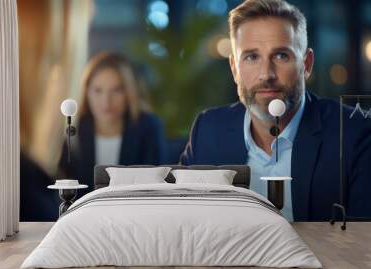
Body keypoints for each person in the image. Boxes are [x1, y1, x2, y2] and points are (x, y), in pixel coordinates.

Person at [180, 0, 371, 221]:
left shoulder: (355, 134)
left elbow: (362, 245)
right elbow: (185, 225)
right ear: (234, 69)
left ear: (306, 64)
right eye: (251, 57)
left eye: (281, 56)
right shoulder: (208, 131)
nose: (266, 74)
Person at [58, 52, 166, 196]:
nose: (106, 101)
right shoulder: (71, 131)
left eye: (116, 90)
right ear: (86, 92)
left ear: (129, 93)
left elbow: (154, 188)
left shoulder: (149, 127)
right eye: (98, 90)